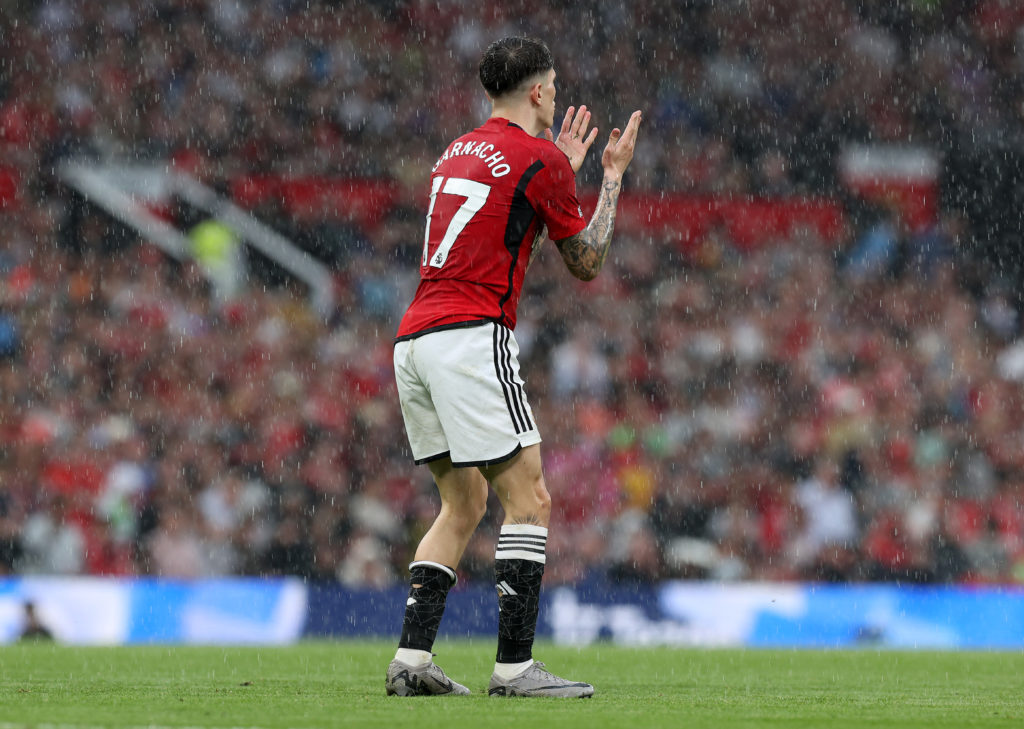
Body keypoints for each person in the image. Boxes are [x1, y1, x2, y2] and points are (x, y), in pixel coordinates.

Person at [385, 36, 641, 698]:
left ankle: (411, 660)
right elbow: (586, 262)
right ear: (536, 92)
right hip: (472, 334)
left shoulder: (457, 149)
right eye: (553, 87)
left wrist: (557, 170)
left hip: (413, 337)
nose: (556, 97)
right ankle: (515, 667)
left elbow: (503, 204)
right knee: (529, 498)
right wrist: (608, 178)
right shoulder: (540, 158)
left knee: (463, 500)